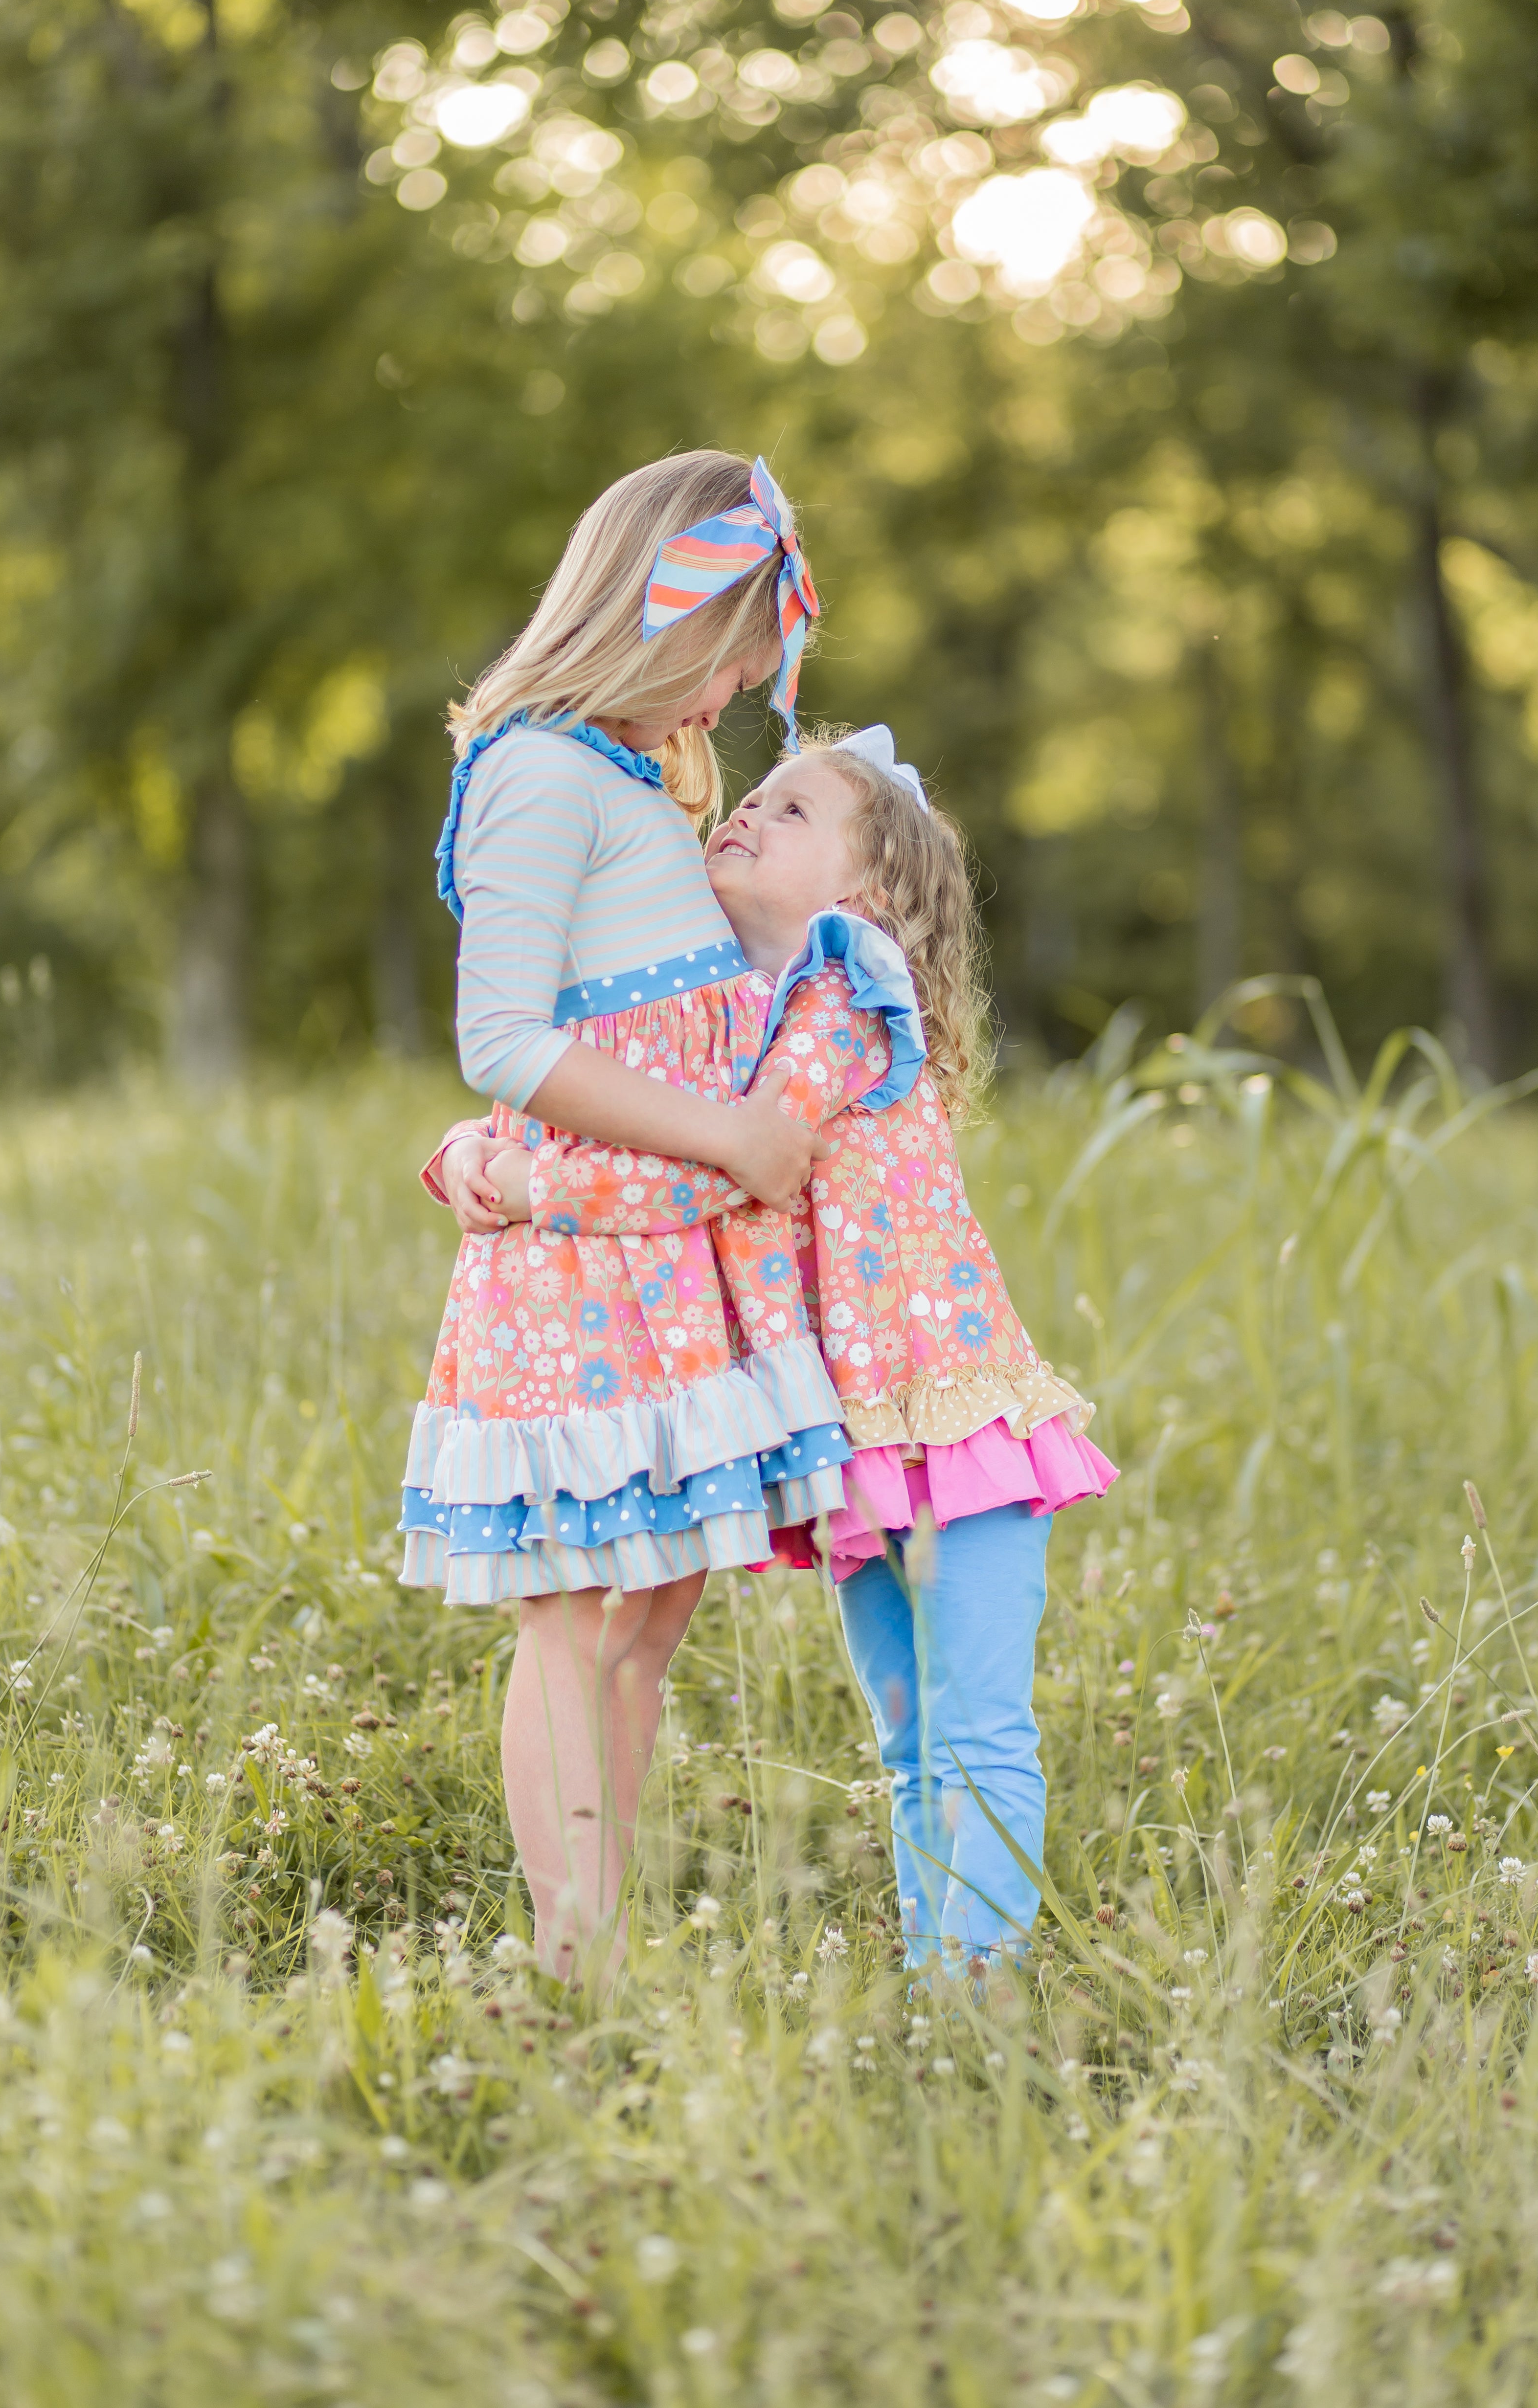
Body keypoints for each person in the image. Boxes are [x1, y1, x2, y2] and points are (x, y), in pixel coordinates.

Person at [442, 727, 1117, 1972]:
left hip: (956, 1428)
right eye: (752, 798)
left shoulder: (846, 983)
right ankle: (950, 1991)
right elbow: (647, 1111)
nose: (745, 813)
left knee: (972, 1731)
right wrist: (476, 1147)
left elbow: (722, 1159)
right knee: (914, 1738)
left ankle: (981, 2000)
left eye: (792, 813)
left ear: (866, 893)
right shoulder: (746, 1008)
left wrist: (526, 1182)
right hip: (869, 1444)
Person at [405, 449, 855, 1985]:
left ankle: (599, 1933)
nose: (742, 689)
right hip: (588, 1266)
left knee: (651, 1611)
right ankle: (569, 1948)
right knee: (582, 1616)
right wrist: (722, 1133)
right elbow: (509, 1041)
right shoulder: (535, 768)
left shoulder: (636, 782)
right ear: (672, 621)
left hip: (670, 1265)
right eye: (742, 654)